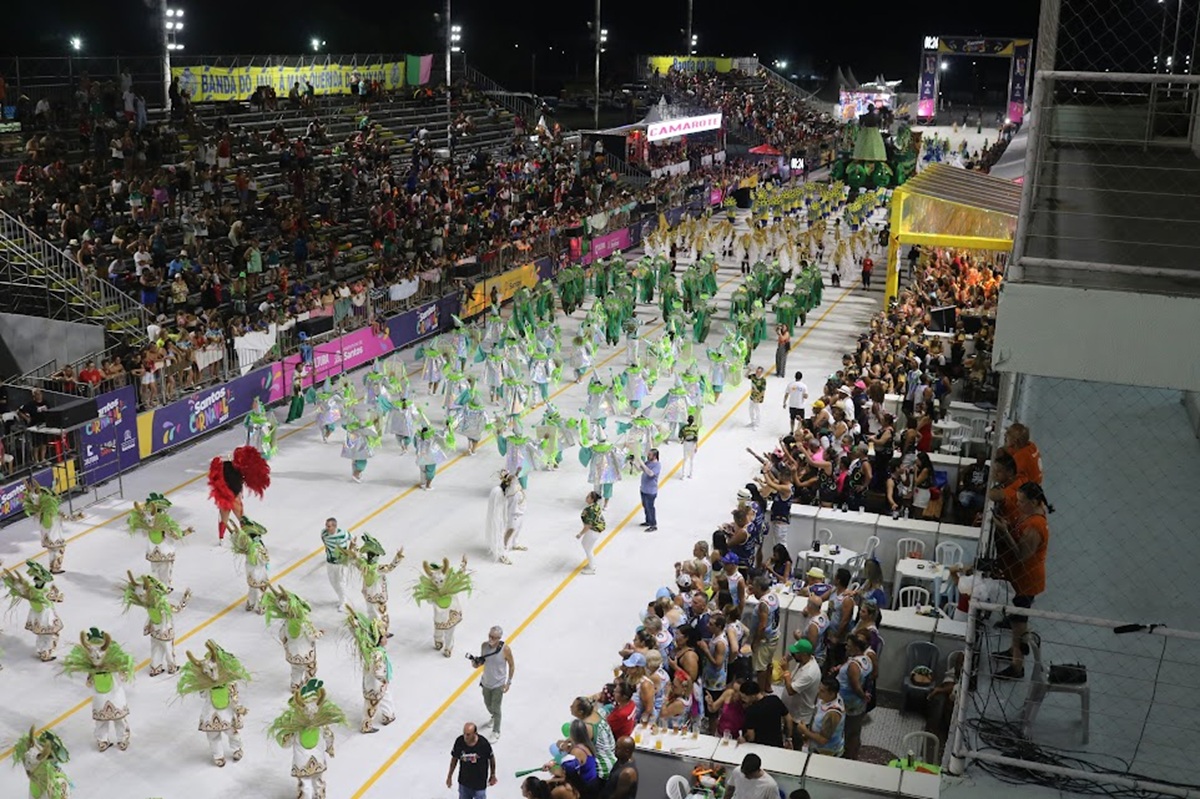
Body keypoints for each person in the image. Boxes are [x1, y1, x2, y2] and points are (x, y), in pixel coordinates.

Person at [993, 482, 1052, 679]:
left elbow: (1021, 554)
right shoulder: (1032, 515)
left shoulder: (1036, 525)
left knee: (1019, 624)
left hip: (1026, 581)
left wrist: (1003, 531)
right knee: (1018, 621)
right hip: (1020, 578)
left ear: (1034, 501)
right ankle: (1013, 651)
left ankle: (1017, 666)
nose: (1017, 505)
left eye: (1021, 502)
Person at [478, 626, 515, 742]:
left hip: (498, 684)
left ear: (499, 638)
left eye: (494, 637)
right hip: (486, 682)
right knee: (488, 704)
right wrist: (475, 663)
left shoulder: (506, 650)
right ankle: (493, 716)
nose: (491, 639)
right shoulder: (484, 646)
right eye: (490, 636)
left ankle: (496, 730)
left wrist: (508, 682)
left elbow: (512, 665)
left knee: (496, 707)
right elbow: (482, 662)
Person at [795, 676, 845, 756]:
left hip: (826, 751)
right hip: (814, 744)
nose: (818, 692)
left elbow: (823, 739)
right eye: (819, 688)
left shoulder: (832, 714)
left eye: (822, 691)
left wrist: (805, 731)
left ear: (832, 693)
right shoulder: (826, 698)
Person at [747, 576, 781, 691]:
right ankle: (768, 686)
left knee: (761, 667)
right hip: (774, 636)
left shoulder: (763, 604)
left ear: (760, 587)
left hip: (765, 640)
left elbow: (762, 626)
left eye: (755, 587)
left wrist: (755, 642)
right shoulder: (773, 595)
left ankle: (760, 692)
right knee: (768, 662)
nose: (753, 590)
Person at [447, 722, 497, 799]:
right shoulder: (459, 742)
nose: (465, 737)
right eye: (464, 733)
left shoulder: (483, 744)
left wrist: (493, 774)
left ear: (475, 733)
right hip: (464, 782)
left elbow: (491, 758)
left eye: (468, 734)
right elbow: (454, 759)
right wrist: (449, 776)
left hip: (479, 784)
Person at [740, 681, 793, 748]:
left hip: (759, 746)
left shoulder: (751, 711)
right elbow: (789, 719)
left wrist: (744, 737)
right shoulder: (775, 699)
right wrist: (788, 738)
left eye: (744, 698)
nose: (743, 700)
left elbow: (751, 737)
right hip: (777, 744)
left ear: (752, 696)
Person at [782, 638, 821, 728]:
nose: (793, 655)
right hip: (791, 712)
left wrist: (786, 671)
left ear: (803, 655)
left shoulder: (809, 673)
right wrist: (789, 657)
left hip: (798, 718)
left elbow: (791, 691)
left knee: (796, 739)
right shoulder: (803, 661)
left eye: (795, 653)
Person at [578, 491, 605, 574]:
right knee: (585, 545)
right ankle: (590, 563)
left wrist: (580, 534)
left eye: (588, 497)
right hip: (594, 530)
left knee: (588, 548)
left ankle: (592, 567)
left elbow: (588, 525)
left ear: (592, 499)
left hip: (593, 531)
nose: (586, 497)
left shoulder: (590, 510)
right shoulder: (595, 506)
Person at [635, 449, 660, 532]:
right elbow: (640, 469)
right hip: (644, 489)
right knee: (645, 506)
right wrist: (635, 462)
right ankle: (648, 521)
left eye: (650, 455)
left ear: (654, 456)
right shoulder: (648, 462)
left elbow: (650, 474)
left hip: (651, 491)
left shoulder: (657, 465)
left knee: (650, 508)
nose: (648, 456)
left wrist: (642, 463)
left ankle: (653, 524)